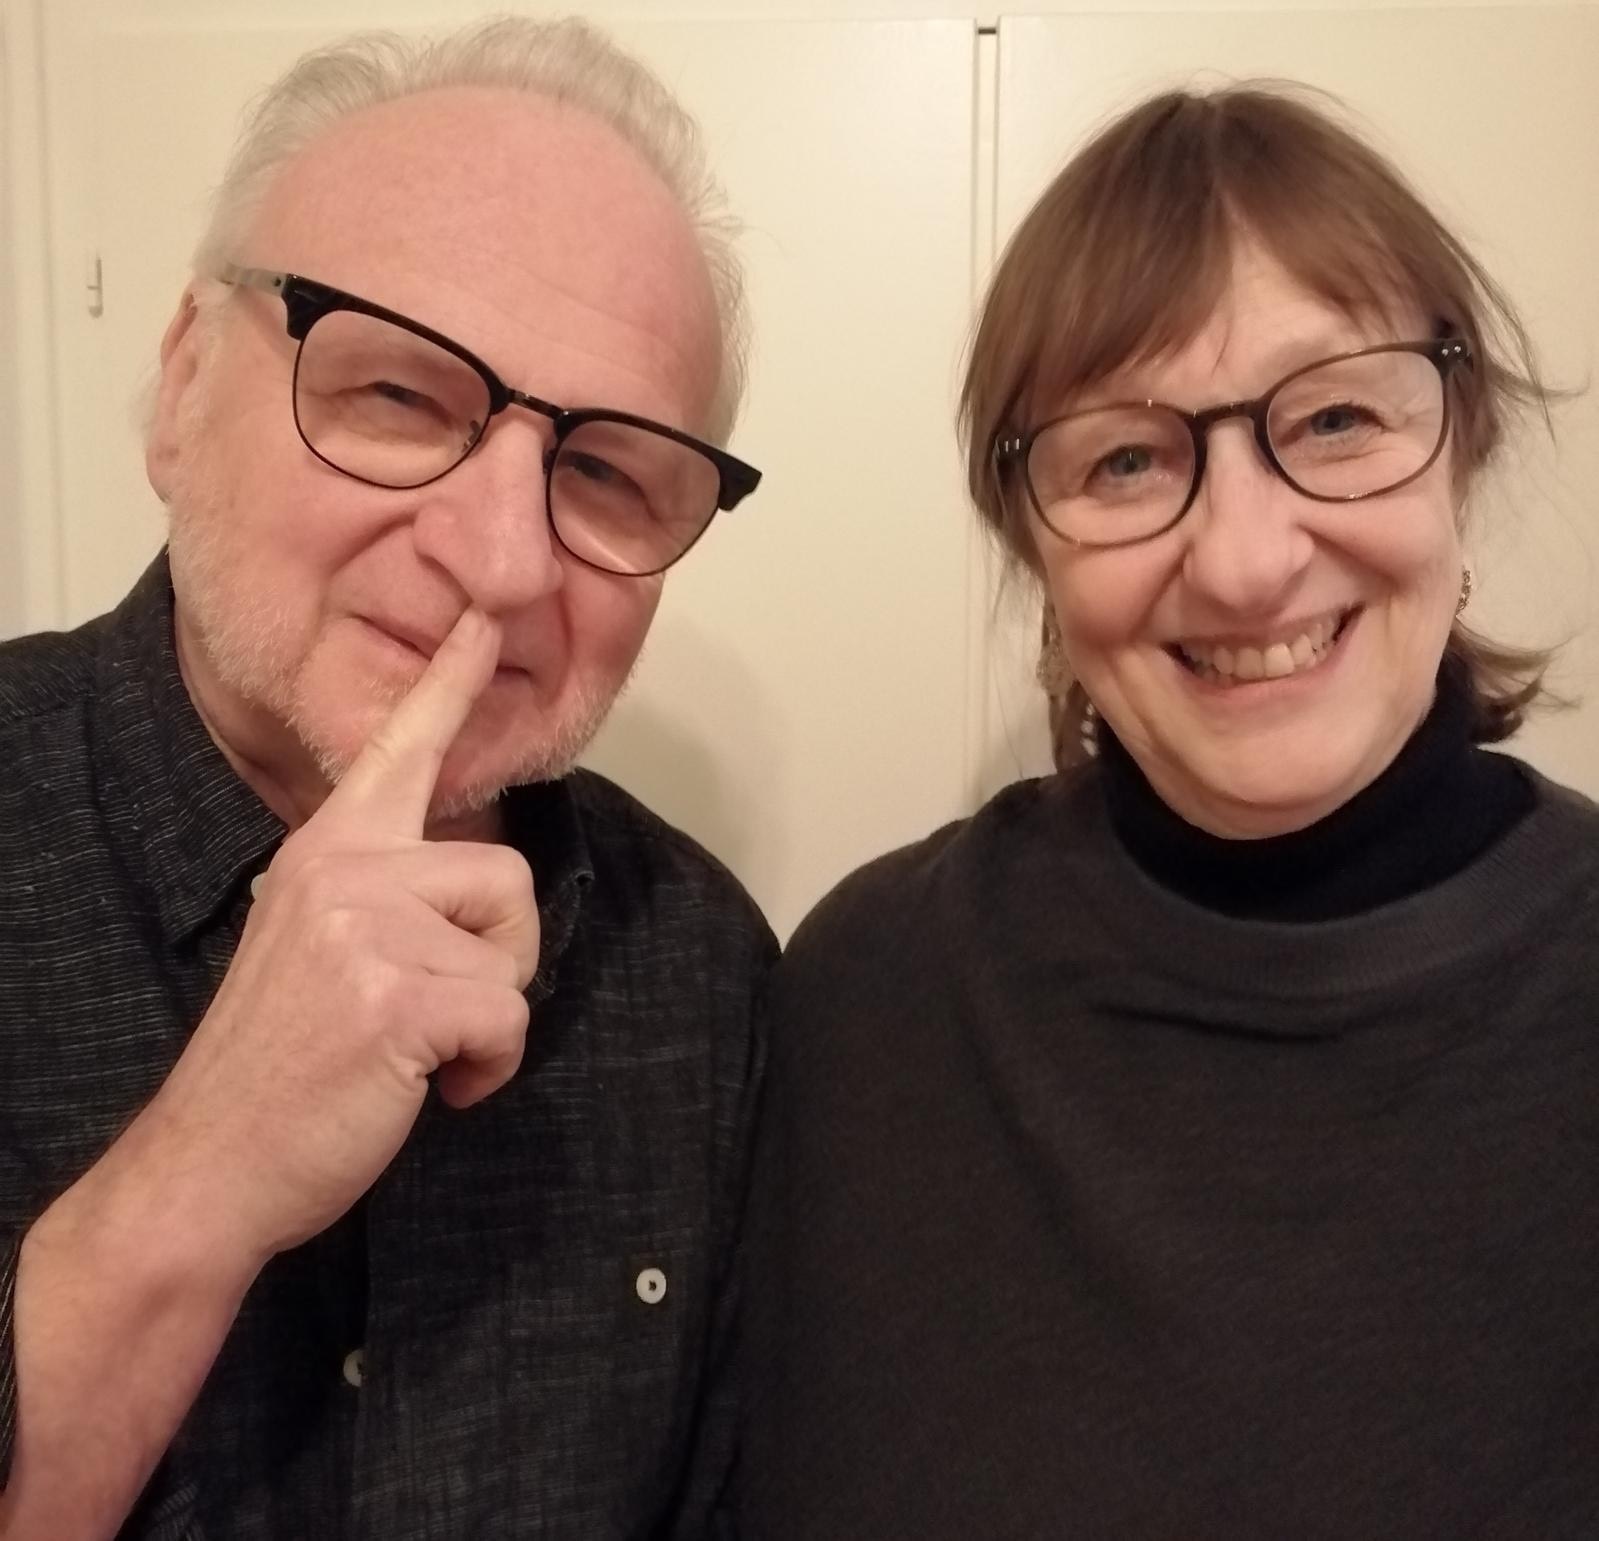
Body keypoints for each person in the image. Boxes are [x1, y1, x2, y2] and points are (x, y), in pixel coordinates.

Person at [738, 84, 1598, 1536]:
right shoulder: (870, 999)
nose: (1246, 562)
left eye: (1336, 416)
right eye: (1127, 457)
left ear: (1466, 445)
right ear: (1036, 546)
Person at [0, 16, 771, 1538]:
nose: (503, 560)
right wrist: (200, 1175)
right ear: (184, 382)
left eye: (604, 470)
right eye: (399, 396)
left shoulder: (701, 969)